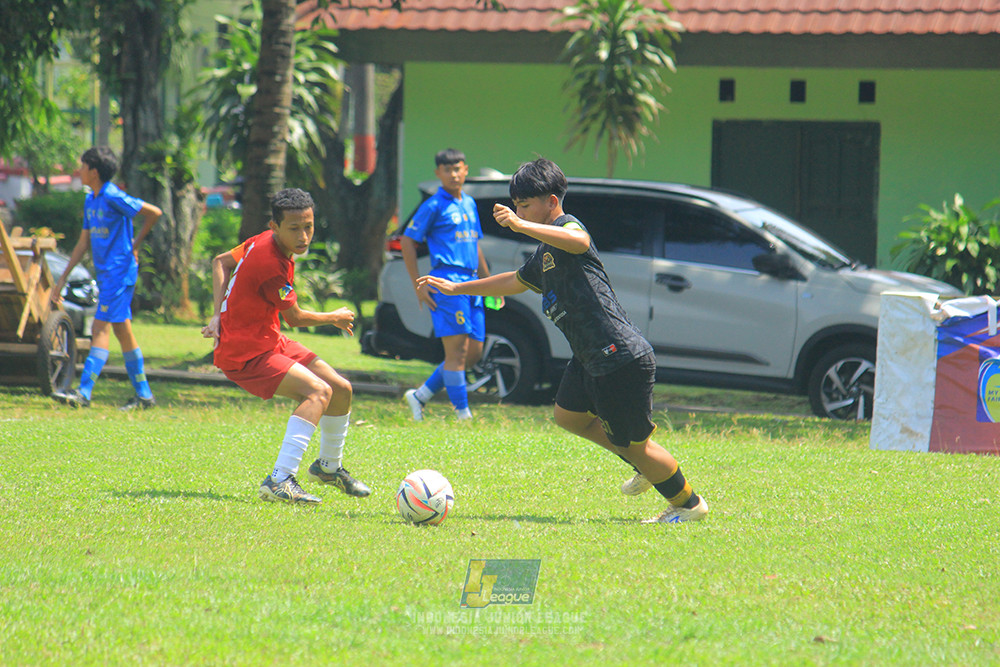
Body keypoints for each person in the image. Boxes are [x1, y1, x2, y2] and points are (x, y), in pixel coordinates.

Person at [418, 158, 709, 524]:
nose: (518, 211)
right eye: (517, 206)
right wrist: (459, 287)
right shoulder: (545, 254)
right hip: (589, 357)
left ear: (551, 202)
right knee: (568, 416)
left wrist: (520, 224)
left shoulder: (567, 229)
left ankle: (688, 504)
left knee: (639, 447)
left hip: (617, 355)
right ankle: (641, 463)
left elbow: (579, 240)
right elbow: (514, 281)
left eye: (525, 205)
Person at [201, 188, 370, 506]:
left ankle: (328, 468)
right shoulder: (271, 263)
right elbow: (295, 317)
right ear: (274, 226)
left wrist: (217, 313)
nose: (303, 235)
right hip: (245, 353)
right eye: (294, 228)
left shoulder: (261, 240)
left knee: (341, 388)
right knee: (318, 392)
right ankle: (279, 480)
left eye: (308, 226)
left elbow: (221, 262)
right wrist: (333, 316)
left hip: (269, 339)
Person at [51, 146, 162, 410]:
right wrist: (62, 278)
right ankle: (144, 396)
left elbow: (154, 213)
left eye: (82, 166)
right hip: (107, 275)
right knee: (123, 331)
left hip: (119, 273)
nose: (79, 171)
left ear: (94, 171)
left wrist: (134, 245)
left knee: (100, 328)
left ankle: (84, 393)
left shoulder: (114, 196)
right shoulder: (91, 199)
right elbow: (82, 244)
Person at [400, 148, 492, 421]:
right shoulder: (433, 206)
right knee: (458, 354)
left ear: (466, 170)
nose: (454, 174)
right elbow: (407, 241)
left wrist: (489, 284)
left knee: (473, 354)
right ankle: (463, 416)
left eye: (458, 168)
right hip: (447, 283)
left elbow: (475, 245)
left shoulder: (470, 203)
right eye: (447, 169)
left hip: (473, 283)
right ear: (438, 173)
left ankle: (420, 396)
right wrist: (419, 283)